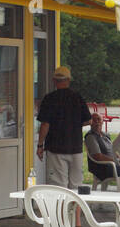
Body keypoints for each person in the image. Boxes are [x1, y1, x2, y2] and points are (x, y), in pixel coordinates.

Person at [36, 66, 92, 216]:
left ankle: (61, 218)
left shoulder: (49, 99)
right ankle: (77, 220)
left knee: (59, 186)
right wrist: (73, 123)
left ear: (54, 81)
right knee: (76, 185)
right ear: (68, 80)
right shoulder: (77, 97)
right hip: (75, 148)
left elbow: (45, 124)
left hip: (56, 148)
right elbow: (88, 120)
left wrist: (40, 144)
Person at [84, 114, 120, 184]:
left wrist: (119, 157)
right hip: (103, 167)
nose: (97, 122)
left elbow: (112, 150)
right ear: (90, 122)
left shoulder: (105, 135)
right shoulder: (91, 137)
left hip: (113, 163)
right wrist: (115, 161)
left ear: (102, 121)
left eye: (99, 119)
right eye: (94, 120)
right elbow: (98, 156)